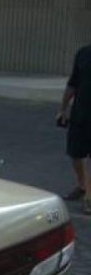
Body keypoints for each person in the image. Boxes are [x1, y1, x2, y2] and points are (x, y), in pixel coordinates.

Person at [58, 45, 91, 214]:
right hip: (80, 113)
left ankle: (89, 197)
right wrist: (62, 108)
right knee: (75, 152)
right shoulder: (83, 53)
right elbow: (73, 83)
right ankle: (82, 186)